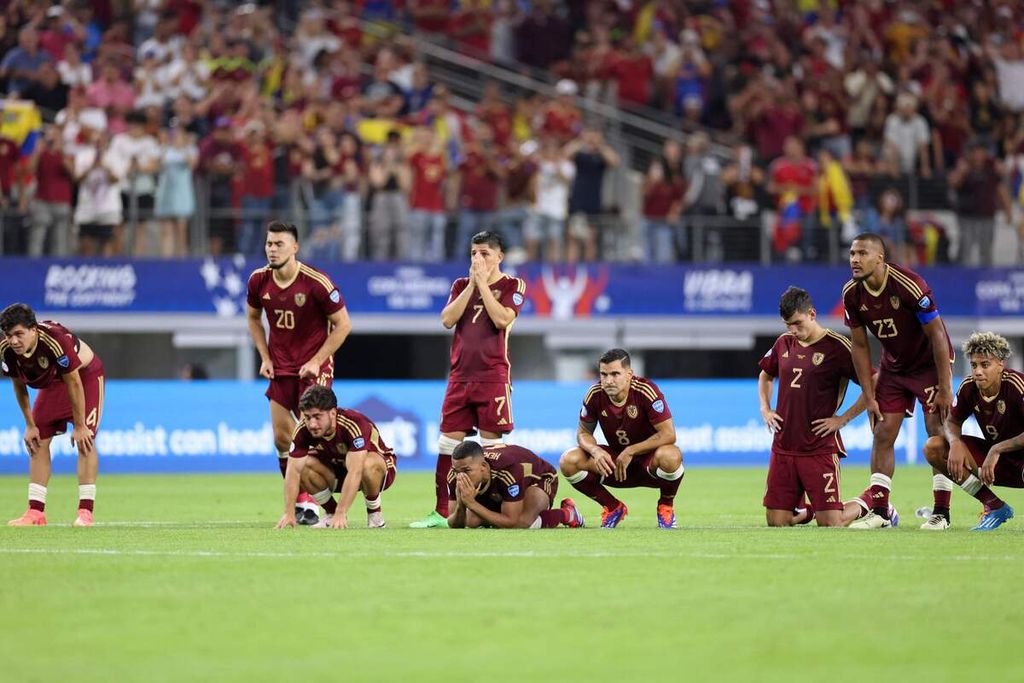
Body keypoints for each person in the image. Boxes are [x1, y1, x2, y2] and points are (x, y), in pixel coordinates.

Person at [410, 231, 526, 528]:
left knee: (491, 451)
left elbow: (502, 319)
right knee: (447, 444)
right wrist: (473, 283)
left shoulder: (513, 285)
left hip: (493, 377)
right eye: (474, 253)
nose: (478, 258)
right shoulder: (460, 285)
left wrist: (484, 285)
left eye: (485, 253)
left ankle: (487, 509)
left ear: (500, 256)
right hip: (460, 376)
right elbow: (447, 319)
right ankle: (440, 512)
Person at [843, 233, 954, 529]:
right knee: (882, 432)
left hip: (928, 364)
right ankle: (880, 513)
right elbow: (860, 346)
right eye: (852, 253)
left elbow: (938, 336)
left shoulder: (909, 285)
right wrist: (868, 394)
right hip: (893, 367)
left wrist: (945, 387)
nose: (854, 259)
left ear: (879, 258)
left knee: (935, 432)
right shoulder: (852, 294)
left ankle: (941, 513)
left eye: (862, 253)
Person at [246, 221, 352, 525]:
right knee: (281, 437)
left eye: (279, 244)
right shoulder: (258, 281)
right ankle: (303, 504)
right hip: (280, 366)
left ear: (295, 248)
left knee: (312, 434)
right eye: (269, 244)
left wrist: (318, 360)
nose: (272, 249)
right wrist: (264, 356)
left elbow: (344, 325)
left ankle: (323, 501)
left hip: (312, 369)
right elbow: (253, 318)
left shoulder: (316, 282)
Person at [758, 287, 873, 527]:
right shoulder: (784, 343)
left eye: (798, 323)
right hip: (784, 446)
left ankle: (872, 501)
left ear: (812, 313)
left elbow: (872, 384)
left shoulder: (838, 347)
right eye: (788, 324)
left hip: (819, 446)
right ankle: (812, 511)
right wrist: (765, 409)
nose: (793, 330)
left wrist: (843, 419)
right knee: (776, 522)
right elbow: (765, 375)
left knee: (832, 524)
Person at [1, 303, 105, 527]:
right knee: (37, 441)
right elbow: (19, 385)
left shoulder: (54, 340)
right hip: (55, 382)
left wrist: (79, 426)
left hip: (84, 377)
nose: (14, 341)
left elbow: (74, 381)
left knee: (85, 440)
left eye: (19, 334)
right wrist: (30, 425)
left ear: (33, 329)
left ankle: (85, 512)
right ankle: (35, 512)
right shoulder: (6, 350)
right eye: (9, 335)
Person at [558, 348, 685, 529]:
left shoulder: (645, 391)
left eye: (615, 374)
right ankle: (612, 507)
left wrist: (631, 450)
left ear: (629, 374)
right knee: (569, 460)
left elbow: (669, 434)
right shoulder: (594, 394)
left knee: (671, 455)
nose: (608, 381)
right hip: (616, 465)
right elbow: (583, 433)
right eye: (604, 374)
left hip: (648, 464)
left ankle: (665, 506)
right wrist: (595, 450)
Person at [922, 332, 1020, 531]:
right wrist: (955, 442)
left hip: (1012, 458)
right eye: (974, 365)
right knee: (935, 447)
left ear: (1001, 364)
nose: (978, 371)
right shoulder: (968, 388)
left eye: (985, 365)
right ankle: (994, 506)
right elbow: (951, 421)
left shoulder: (1016, 386)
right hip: (996, 463)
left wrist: (996, 450)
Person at [275, 386, 396, 530]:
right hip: (337, 470)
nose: (312, 424)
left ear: (332, 413)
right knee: (304, 465)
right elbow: (293, 471)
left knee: (367, 465)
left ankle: (375, 515)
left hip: (377, 471)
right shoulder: (303, 430)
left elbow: (355, 471)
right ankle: (331, 513)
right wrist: (289, 512)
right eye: (307, 417)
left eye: (317, 417)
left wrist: (342, 511)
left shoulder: (354, 424)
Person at [447, 441, 584, 529]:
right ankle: (499, 513)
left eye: (466, 471)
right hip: (501, 488)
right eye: (456, 471)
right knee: (471, 520)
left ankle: (567, 514)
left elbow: (512, 522)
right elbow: (453, 523)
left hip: (539, 479)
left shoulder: (507, 470)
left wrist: (471, 504)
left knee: (522, 523)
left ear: (483, 466)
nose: (461, 476)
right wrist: (461, 504)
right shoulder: (455, 474)